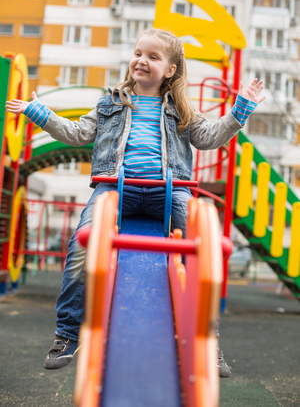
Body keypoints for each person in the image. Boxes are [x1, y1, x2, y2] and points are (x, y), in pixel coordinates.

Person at [6, 28, 265, 376]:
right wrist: (39, 112)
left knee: (202, 249)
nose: (141, 61)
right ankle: (68, 332)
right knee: (82, 244)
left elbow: (208, 138)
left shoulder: (181, 107)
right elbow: (79, 134)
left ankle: (208, 339)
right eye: (138, 53)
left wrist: (241, 109)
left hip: (169, 189)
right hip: (115, 187)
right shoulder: (110, 102)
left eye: (153, 57)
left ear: (171, 69)